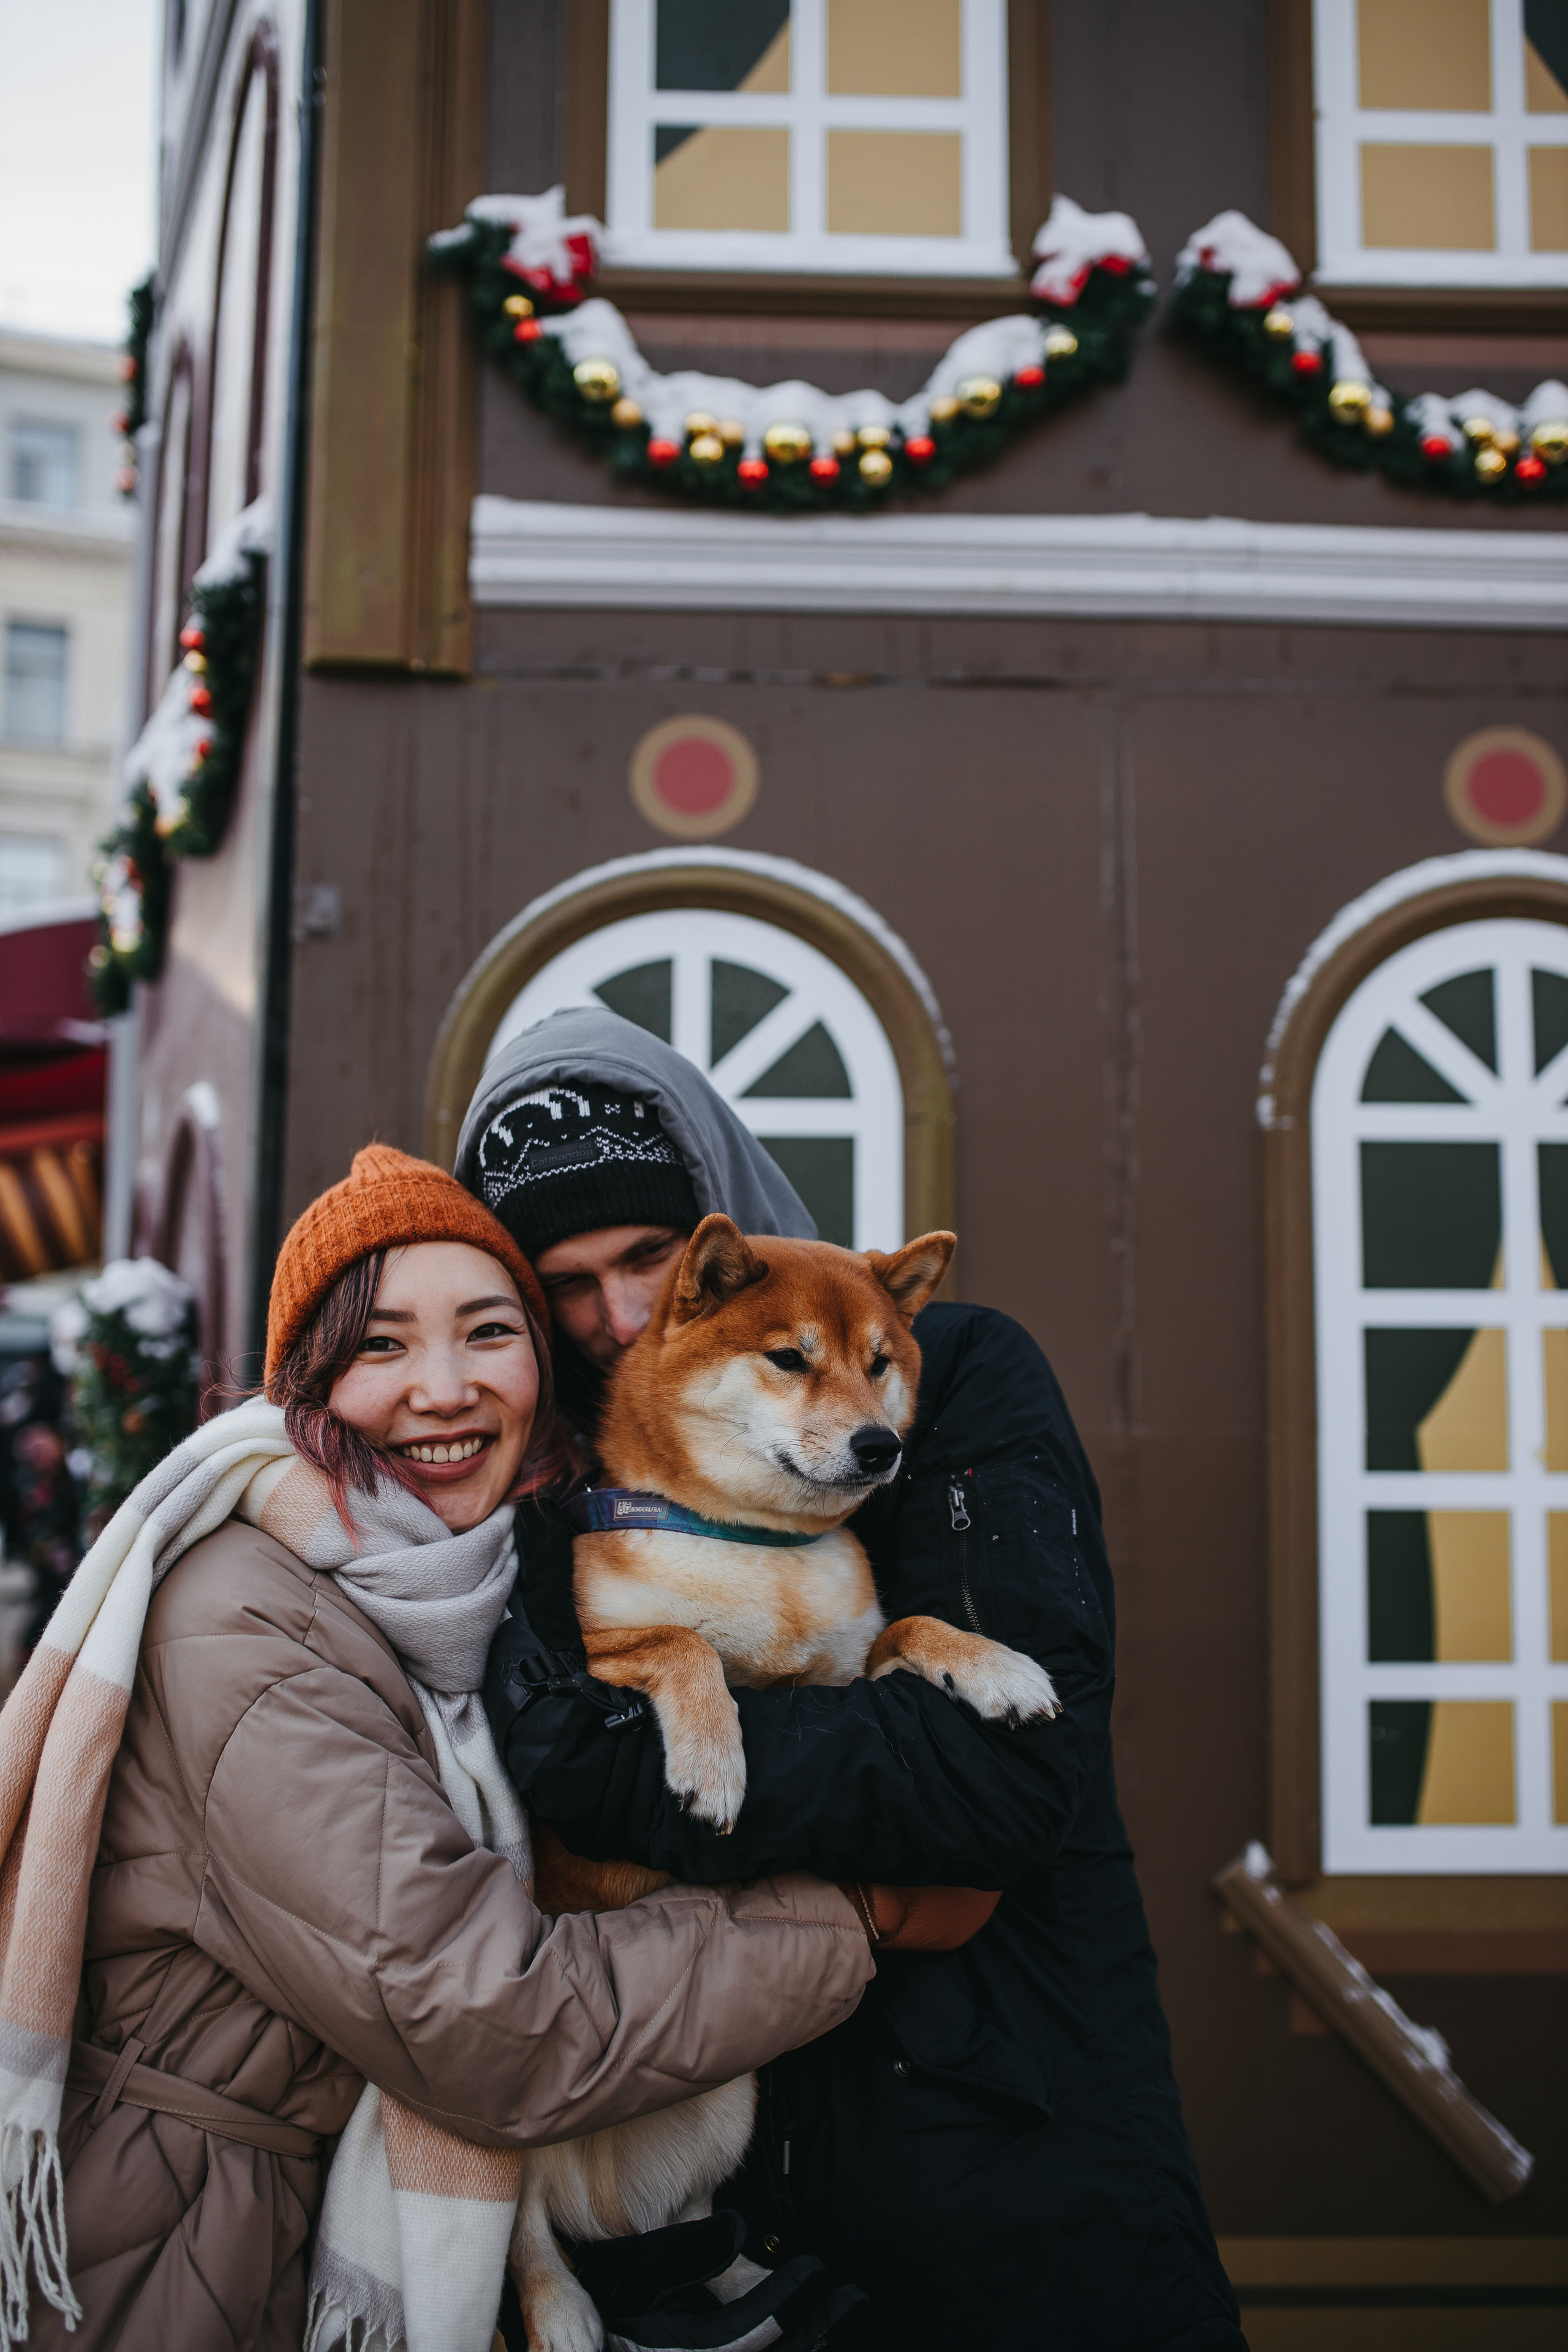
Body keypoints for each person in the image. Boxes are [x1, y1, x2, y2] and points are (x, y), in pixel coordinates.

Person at [0, 1144, 891, 2352]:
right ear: (306, 1379)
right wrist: (853, 1921)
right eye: (382, 1345)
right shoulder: (247, 1626)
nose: (443, 1387)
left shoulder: (447, 1592)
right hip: (167, 2260)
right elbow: (482, 2023)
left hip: (255, 2237)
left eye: (487, 1332)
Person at [462, 1008, 1250, 2352]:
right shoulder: (535, 1481)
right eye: (563, 1285)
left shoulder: (956, 1390)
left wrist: (686, 1767)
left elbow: (1007, 1774)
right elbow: (564, 1761)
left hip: (1004, 2174)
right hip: (686, 2218)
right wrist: (880, 1899)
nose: (620, 1317)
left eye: (652, 1257)